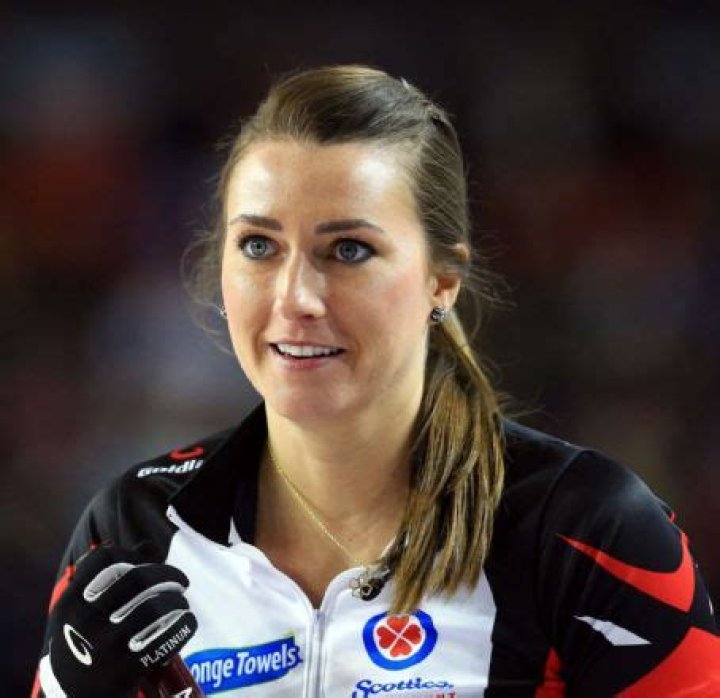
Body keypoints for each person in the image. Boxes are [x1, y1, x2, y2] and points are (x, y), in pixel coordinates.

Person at [34, 65, 720, 697]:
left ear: (441, 280)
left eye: (349, 250)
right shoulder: (136, 526)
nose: (296, 297)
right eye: (259, 246)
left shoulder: (586, 532)